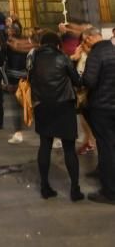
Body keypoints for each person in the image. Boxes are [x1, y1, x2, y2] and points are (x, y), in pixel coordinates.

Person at [28, 30, 83, 201]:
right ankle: (75, 189)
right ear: (57, 44)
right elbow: (77, 81)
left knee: (45, 145)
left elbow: (30, 79)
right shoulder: (62, 57)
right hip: (64, 106)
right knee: (69, 148)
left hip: (42, 107)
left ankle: (45, 186)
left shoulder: (34, 58)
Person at [81, 26, 115, 204]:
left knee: (106, 147)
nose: (86, 42)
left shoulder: (98, 53)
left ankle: (109, 191)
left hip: (102, 107)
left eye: (87, 39)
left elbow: (89, 80)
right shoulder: (111, 50)